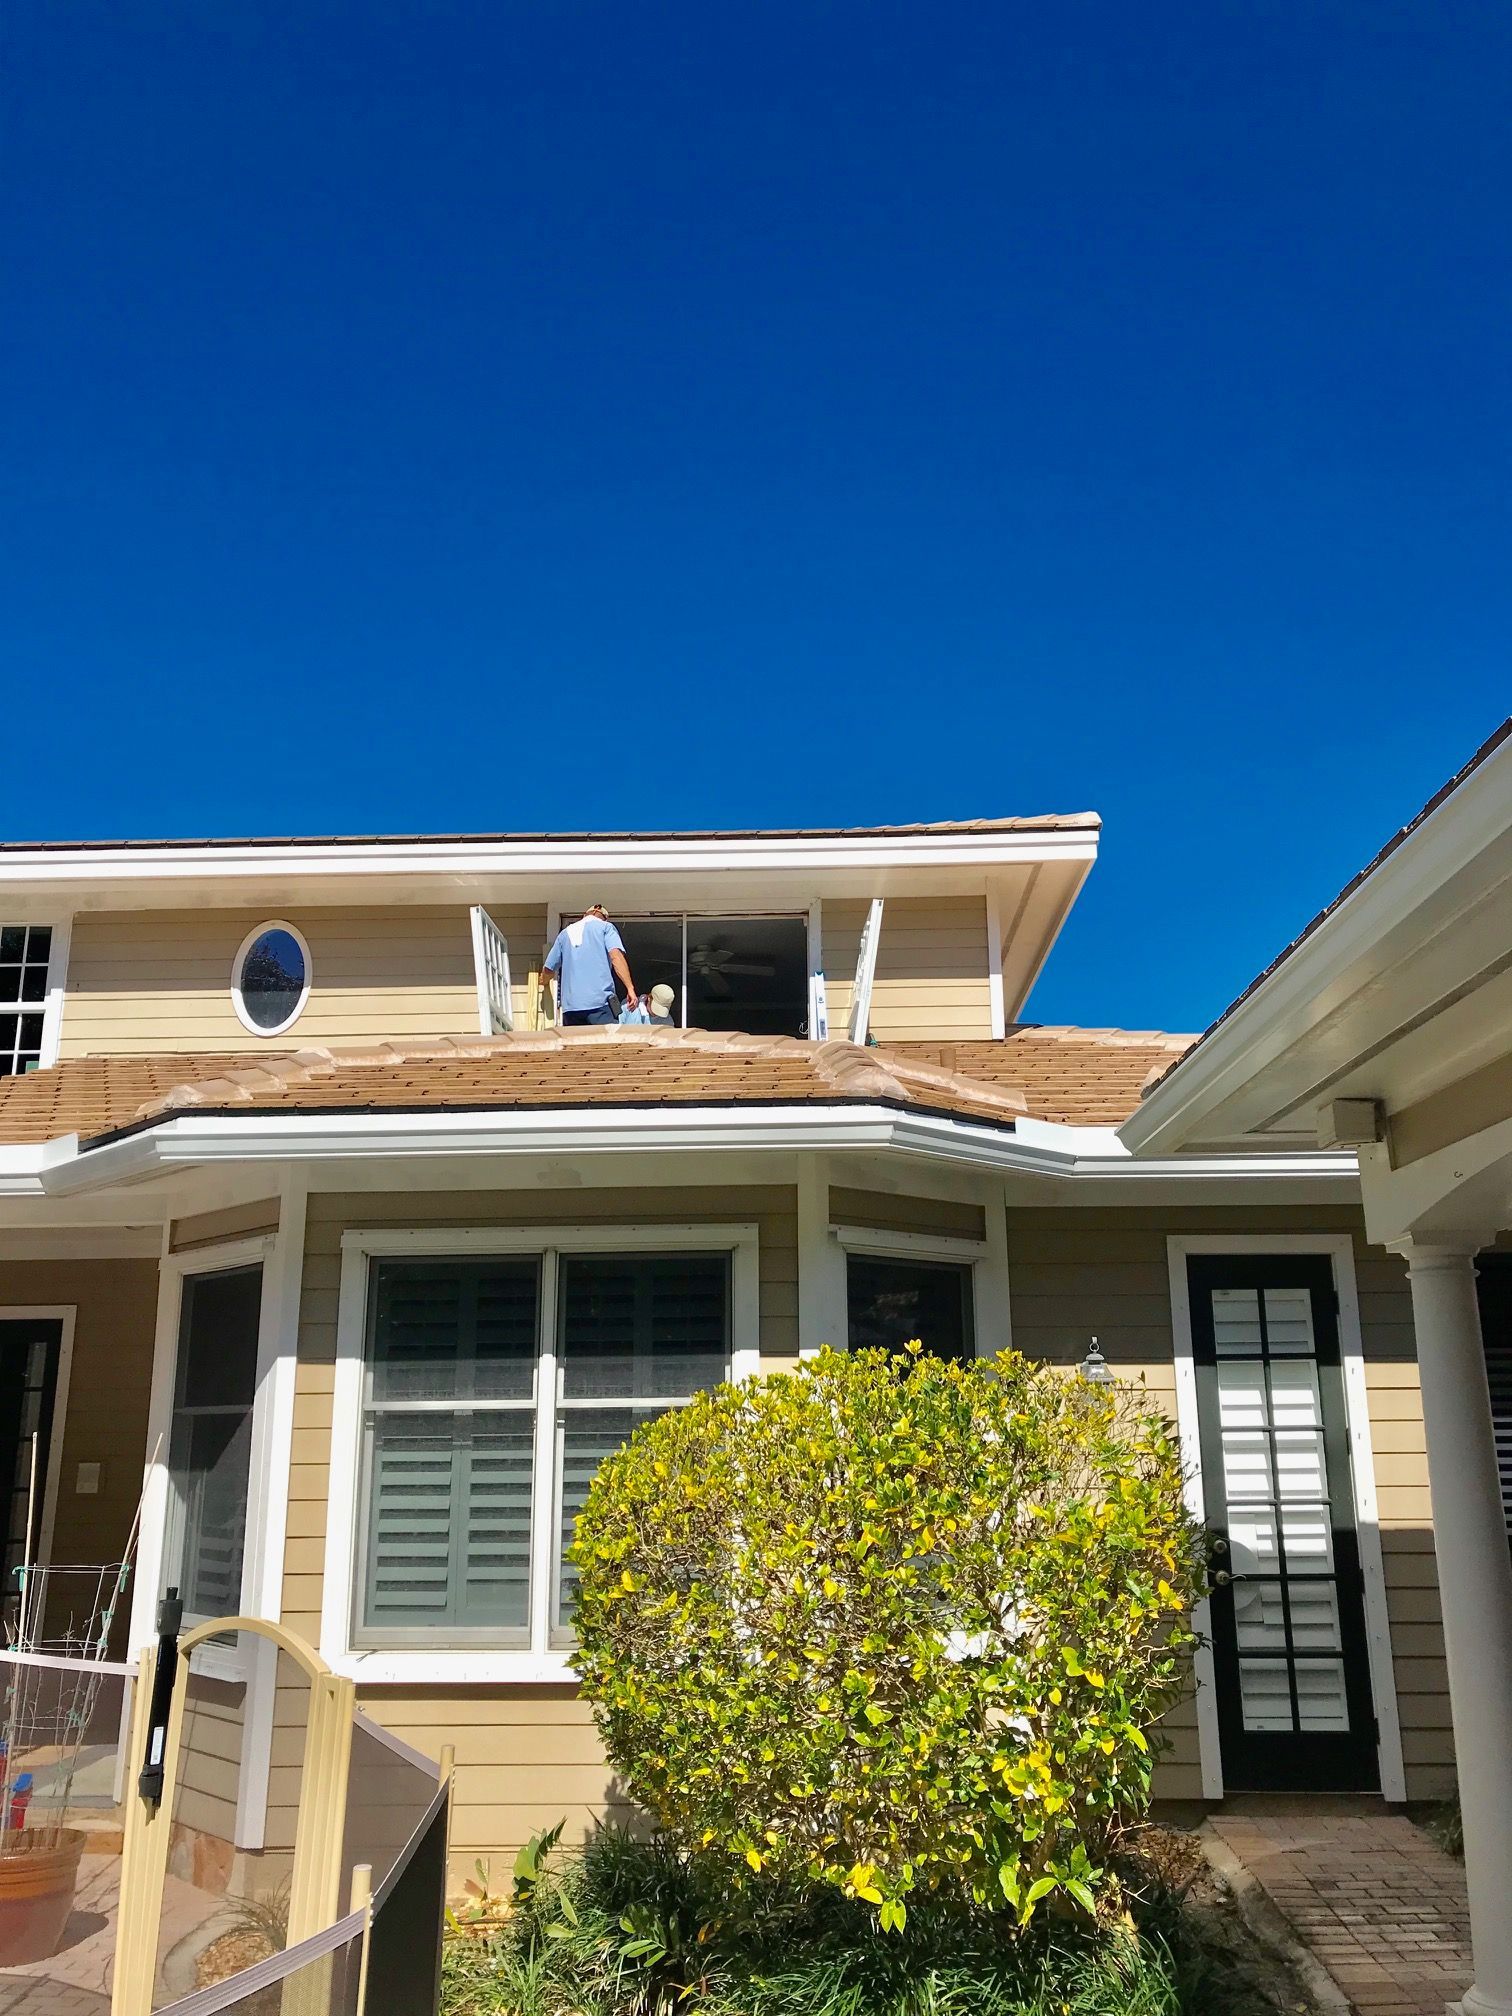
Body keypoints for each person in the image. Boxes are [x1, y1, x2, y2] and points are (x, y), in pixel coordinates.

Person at [542, 904, 638, 1026]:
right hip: (599, 1005)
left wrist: (543, 981)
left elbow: (549, 969)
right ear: (605, 918)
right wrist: (630, 988)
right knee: (606, 1043)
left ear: (584, 915)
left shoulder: (565, 934)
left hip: (571, 1009)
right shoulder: (606, 927)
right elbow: (616, 957)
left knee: (575, 1043)